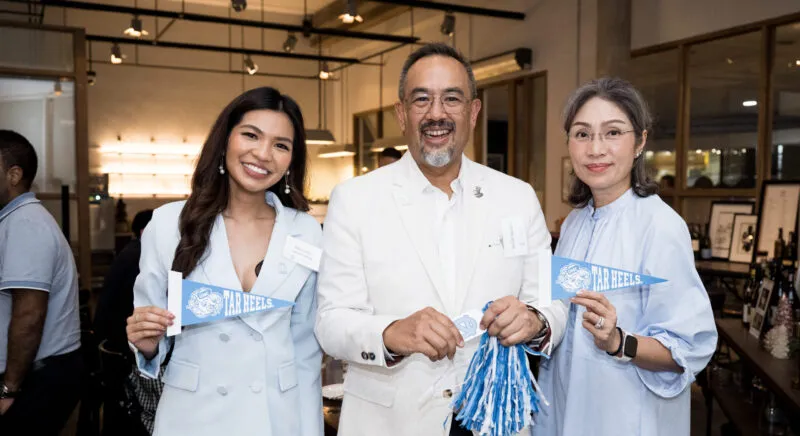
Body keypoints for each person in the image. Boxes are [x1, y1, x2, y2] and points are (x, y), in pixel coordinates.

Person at [315, 43, 566, 436]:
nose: (436, 114)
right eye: (421, 100)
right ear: (402, 113)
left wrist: (535, 320)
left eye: (452, 99)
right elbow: (330, 322)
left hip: (492, 418)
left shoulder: (517, 197)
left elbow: (552, 301)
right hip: (391, 421)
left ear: (473, 112)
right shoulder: (355, 200)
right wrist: (390, 333)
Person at [125, 87, 323, 436]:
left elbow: (306, 350)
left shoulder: (306, 231)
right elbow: (154, 329)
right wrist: (147, 345)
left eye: (281, 145)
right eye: (250, 135)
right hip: (194, 415)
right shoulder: (168, 225)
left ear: (292, 159)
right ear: (225, 140)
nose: (263, 154)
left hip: (277, 416)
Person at [535, 78, 717, 435]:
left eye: (613, 132)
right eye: (582, 134)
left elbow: (689, 349)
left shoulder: (661, 226)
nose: (595, 149)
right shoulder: (573, 223)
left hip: (628, 417)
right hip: (565, 407)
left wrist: (619, 341)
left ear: (640, 142)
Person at [0, 130, 83, 434]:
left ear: (13, 175)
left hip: (37, 375)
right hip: (35, 371)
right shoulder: (15, 220)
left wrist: (8, 389)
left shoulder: (26, 224)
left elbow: (29, 315)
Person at [94, 209, 153, 436]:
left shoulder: (131, 251)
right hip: (123, 351)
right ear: (145, 231)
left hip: (111, 342)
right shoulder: (141, 258)